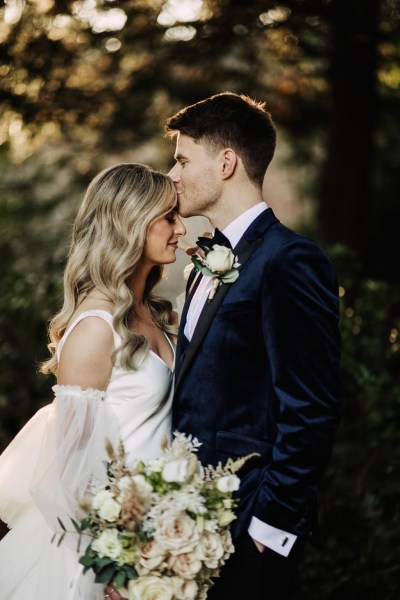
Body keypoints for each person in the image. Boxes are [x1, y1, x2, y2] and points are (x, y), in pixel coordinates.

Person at [165, 92, 342, 600]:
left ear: (226, 163)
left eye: (181, 159)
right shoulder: (209, 261)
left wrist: (267, 530)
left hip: (249, 532)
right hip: (193, 525)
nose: (172, 174)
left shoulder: (290, 260)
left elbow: (312, 409)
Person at [0, 163, 186, 599]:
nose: (180, 228)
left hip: (159, 534)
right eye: (168, 217)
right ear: (131, 222)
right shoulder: (95, 328)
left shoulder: (157, 315)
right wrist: (113, 560)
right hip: (102, 554)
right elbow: (71, 474)